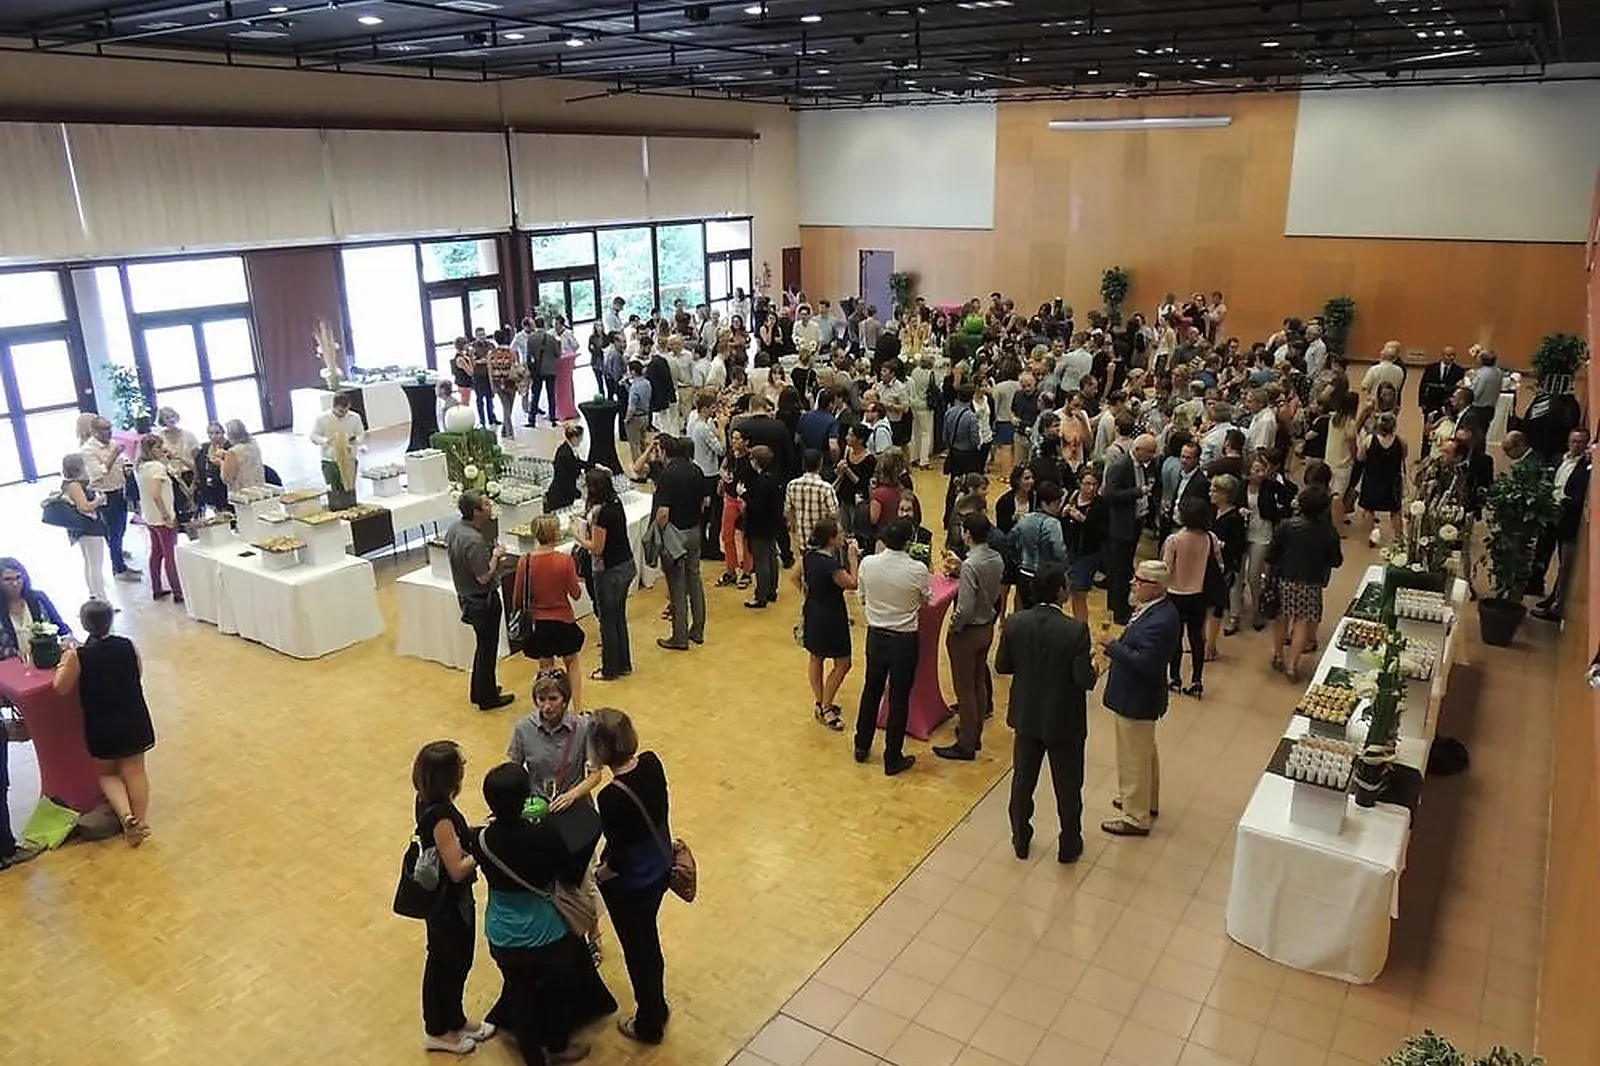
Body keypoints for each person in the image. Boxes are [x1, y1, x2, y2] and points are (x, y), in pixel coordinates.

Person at [475, 762, 616, 1066]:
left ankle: (531, 1057)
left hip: (502, 933)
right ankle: (557, 1046)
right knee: (557, 994)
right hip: (547, 933)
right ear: (526, 797)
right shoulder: (545, 837)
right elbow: (568, 874)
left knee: (520, 996)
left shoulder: (482, 840)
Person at [996, 562, 1098, 861]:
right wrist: (1092, 667)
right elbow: (1083, 680)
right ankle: (1068, 843)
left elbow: (1003, 665)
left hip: (1027, 714)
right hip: (1064, 719)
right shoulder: (1075, 631)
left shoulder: (1015, 622)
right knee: (1067, 785)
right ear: (1060, 592)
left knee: (1023, 780)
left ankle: (1020, 838)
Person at [592, 710, 673, 1045]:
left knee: (639, 951)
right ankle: (658, 1006)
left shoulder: (611, 797)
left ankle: (649, 1021)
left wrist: (601, 874)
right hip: (660, 868)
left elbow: (620, 857)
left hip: (633, 883)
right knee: (649, 945)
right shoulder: (652, 764)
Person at [52, 599, 155, 845]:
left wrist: (63, 661)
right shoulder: (127, 645)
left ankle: (125, 815)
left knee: (108, 774)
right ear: (110, 620)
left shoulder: (79, 655)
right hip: (133, 716)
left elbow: (61, 687)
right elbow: (138, 672)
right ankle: (140, 822)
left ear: (84, 624)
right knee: (136, 772)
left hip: (101, 723)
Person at [410, 740, 490, 1054]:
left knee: (452, 960)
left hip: (445, 903)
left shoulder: (424, 800)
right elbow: (457, 868)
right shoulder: (441, 816)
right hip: (449, 905)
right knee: (449, 962)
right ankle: (438, 1030)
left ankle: (454, 1018)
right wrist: (484, 847)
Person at [1099, 560, 1182, 837]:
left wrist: (1113, 647)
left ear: (1156, 587)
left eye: (1140, 580)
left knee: (1132, 756)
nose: (1133, 584)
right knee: (1145, 750)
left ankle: (1135, 816)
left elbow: (1146, 663)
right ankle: (1147, 800)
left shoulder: (1159, 621)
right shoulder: (1154, 610)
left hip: (1136, 696)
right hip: (1139, 695)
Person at [852, 519, 930, 776]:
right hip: (904, 640)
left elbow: (861, 597)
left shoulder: (868, 564)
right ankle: (892, 756)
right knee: (899, 698)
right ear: (909, 542)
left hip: (876, 635)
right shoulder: (917, 569)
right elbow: (925, 600)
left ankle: (861, 745)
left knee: (871, 690)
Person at [934, 513, 1006, 762]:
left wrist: (954, 627)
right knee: (978, 683)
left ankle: (965, 743)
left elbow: (964, 607)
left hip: (968, 630)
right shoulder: (995, 558)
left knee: (963, 689)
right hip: (986, 626)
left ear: (967, 533)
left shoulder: (971, 566)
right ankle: (974, 733)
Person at [446, 490, 515, 711]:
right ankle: (487, 697)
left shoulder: (455, 529)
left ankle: (481, 689)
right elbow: (484, 576)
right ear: (476, 512)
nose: (490, 507)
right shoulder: (473, 540)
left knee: (483, 647)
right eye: (486, 504)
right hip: (482, 600)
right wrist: (495, 556)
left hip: (467, 597)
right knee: (487, 648)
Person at [1268, 485, 1344, 682]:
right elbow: (1336, 560)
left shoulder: (1286, 526)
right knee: (1302, 623)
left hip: (1286, 578)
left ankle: (1277, 655)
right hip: (1311, 582)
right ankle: (1292, 665)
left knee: (1281, 617)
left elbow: (1272, 554)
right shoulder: (1328, 532)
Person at [510, 517, 587, 707]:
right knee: (572, 663)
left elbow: (518, 598)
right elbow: (576, 594)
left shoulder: (525, 562)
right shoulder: (565, 561)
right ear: (555, 534)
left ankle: (548, 707)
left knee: (546, 669)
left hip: (540, 623)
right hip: (564, 620)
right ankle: (577, 707)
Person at [798, 517, 860, 732]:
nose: (843, 536)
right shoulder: (831, 566)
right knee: (843, 662)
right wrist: (853, 559)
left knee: (816, 656)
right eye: (840, 533)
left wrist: (809, 594)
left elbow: (795, 577)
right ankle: (826, 706)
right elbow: (853, 584)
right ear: (832, 539)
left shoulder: (809, 556)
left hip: (813, 610)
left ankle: (820, 701)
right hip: (832, 616)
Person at [572, 469, 635, 682]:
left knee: (607, 621)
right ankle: (623, 663)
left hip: (609, 572)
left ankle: (610, 668)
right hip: (626, 565)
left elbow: (597, 548)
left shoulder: (601, 514)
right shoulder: (616, 503)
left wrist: (579, 537)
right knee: (618, 617)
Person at [1161, 499, 1222, 699]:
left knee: (1175, 638)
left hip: (1175, 594)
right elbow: (1220, 566)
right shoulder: (1210, 538)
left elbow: (1166, 569)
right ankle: (1196, 680)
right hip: (1199, 594)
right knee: (1197, 637)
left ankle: (1175, 678)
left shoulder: (1174, 540)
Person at [652, 435, 708, 647]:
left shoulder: (668, 475)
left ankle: (679, 636)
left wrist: (659, 531)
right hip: (694, 531)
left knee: (677, 585)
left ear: (666, 452)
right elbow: (705, 501)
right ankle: (698, 629)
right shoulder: (696, 470)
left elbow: (663, 513)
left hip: (675, 533)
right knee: (695, 580)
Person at [1533, 428, 1591, 622]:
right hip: (1553, 516)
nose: (1577, 445)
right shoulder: (1560, 459)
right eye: (1574, 441)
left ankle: (1557, 607)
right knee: (1552, 557)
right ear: (1568, 441)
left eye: (1581, 442)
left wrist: (1563, 500)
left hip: (1569, 522)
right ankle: (1552, 597)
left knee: (1566, 566)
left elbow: (1579, 496)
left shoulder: (1586, 467)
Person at [1103, 429, 1156, 625]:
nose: (1152, 456)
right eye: (1150, 452)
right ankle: (1119, 611)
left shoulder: (1143, 466)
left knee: (1125, 566)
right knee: (1121, 569)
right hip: (1121, 525)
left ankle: (1118, 604)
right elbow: (1110, 495)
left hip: (1135, 522)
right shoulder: (1120, 465)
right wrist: (1137, 492)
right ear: (1139, 449)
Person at [81, 415, 140, 584]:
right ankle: (119, 569)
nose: (108, 432)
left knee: (120, 530)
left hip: (119, 490)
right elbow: (97, 474)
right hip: (105, 495)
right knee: (113, 533)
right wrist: (113, 455)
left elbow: (117, 465)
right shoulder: (89, 450)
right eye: (104, 429)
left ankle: (120, 560)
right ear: (94, 431)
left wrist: (125, 470)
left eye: (109, 428)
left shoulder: (113, 443)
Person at [130, 435, 185, 603]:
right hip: (162, 516)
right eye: (159, 447)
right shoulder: (156, 468)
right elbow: (156, 494)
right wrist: (166, 514)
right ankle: (178, 591)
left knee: (156, 552)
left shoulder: (140, 467)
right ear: (152, 449)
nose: (163, 449)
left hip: (149, 516)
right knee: (169, 554)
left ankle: (156, 587)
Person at [57, 453, 110, 602]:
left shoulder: (69, 483)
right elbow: (84, 506)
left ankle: (94, 594)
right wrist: (99, 500)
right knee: (96, 565)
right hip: (89, 527)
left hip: (82, 529)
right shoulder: (74, 485)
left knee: (89, 562)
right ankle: (102, 599)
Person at [1061, 469, 1107, 625]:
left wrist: (1084, 521)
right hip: (1068, 551)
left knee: (1079, 594)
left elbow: (1103, 533)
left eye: (1095, 484)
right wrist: (1064, 514)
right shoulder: (1071, 496)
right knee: (1062, 592)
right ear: (1079, 484)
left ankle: (1082, 632)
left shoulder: (1101, 505)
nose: (1091, 488)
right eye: (1087, 484)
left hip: (1087, 555)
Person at [1209, 474, 1248, 645]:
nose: (1210, 493)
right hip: (1209, 562)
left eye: (1214, 490)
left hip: (1225, 565)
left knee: (1218, 603)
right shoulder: (1211, 511)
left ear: (1225, 494)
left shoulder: (1234, 518)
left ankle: (1211, 644)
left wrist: (1223, 545)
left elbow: (1239, 546)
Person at [309, 392, 367, 508]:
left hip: (349, 459)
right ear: (334, 407)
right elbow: (313, 436)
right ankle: (337, 512)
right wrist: (326, 441)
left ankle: (351, 512)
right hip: (330, 460)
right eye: (340, 411)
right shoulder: (322, 419)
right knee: (334, 491)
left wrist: (355, 440)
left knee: (349, 489)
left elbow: (361, 434)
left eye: (346, 411)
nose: (343, 414)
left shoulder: (355, 418)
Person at [1357, 411, 1406, 547]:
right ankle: (1399, 537)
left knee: (1369, 509)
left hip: (1372, 479)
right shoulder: (1400, 441)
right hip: (1392, 480)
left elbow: (1360, 457)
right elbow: (1405, 455)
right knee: (1395, 510)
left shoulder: (1369, 440)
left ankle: (1372, 536)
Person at [546, 423, 593, 512]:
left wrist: (592, 466)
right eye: (580, 439)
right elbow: (565, 477)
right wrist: (577, 492)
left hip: (564, 491)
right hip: (560, 495)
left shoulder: (568, 449)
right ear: (574, 438)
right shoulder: (565, 455)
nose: (581, 441)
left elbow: (578, 463)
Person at [488, 328, 525, 439]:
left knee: (506, 407)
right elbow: (517, 367)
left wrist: (491, 385)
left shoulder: (491, 353)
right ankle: (510, 432)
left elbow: (489, 370)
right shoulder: (512, 352)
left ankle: (505, 430)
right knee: (508, 407)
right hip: (511, 382)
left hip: (498, 383)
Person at [526, 318, 562, 428]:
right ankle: (552, 418)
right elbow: (558, 354)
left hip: (538, 370)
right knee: (551, 394)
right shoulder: (552, 338)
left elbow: (529, 356)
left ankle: (532, 419)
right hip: (551, 370)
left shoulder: (531, 338)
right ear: (545, 325)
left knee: (535, 394)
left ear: (535, 325)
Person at [220, 419, 266, 494]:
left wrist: (222, 462)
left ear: (230, 435)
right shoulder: (254, 444)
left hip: (242, 494)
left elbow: (227, 479)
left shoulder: (233, 452)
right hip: (259, 489)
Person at [623, 360, 653, 464]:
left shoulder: (635, 387)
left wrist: (627, 420)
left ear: (633, 372)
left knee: (635, 445)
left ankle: (639, 469)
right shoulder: (647, 383)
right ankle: (648, 465)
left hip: (635, 418)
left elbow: (632, 407)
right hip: (645, 416)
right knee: (643, 443)